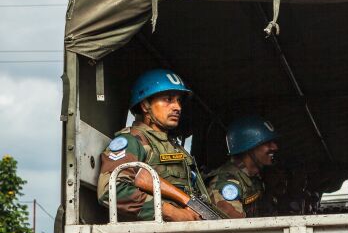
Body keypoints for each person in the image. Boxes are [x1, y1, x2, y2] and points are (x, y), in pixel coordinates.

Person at [97, 69, 211, 221]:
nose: (177, 107)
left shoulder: (176, 147)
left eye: (178, 100)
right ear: (145, 106)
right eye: (168, 99)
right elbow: (111, 190)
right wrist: (170, 211)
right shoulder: (132, 141)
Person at [207, 115, 279, 218]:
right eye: (267, 143)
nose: (275, 147)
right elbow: (237, 229)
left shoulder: (254, 178)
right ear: (249, 146)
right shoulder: (227, 182)